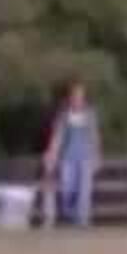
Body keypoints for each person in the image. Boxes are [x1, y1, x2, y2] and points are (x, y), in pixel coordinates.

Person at [42, 80, 101, 228]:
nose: (77, 99)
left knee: (85, 190)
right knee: (67, 188)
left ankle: (83, 220)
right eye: (75, 96)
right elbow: (58, 136)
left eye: (80, 96)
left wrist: (97, 155)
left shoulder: (90, 114)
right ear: (70, 98)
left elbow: (94, 136)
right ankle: (70, 213)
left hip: (86, 156)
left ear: (84, 98)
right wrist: (51, 154)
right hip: (67, 157)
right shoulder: (63, 115)